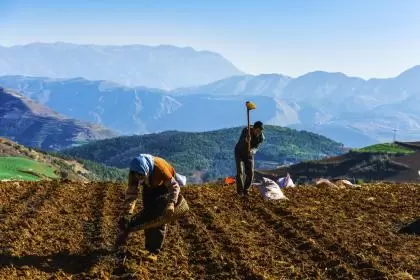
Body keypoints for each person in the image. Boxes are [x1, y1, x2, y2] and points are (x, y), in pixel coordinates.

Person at [117, 154, 181, 262]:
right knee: (148, 215)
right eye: (138, 176)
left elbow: (174, 187)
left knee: (159, 218)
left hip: (163, 187)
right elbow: (132, 193)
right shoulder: (134, 173)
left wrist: (171, 203)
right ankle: (148, 248)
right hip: (149, 186)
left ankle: (154, 251)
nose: (138, 178)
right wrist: (128, 213)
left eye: (141, 176)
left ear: (146, 171)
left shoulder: (160, 169)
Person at [234, 121, 265, 196]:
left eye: (260, 131)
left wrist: (252, 151)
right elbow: (241, 142)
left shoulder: (261, 137)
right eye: (257, 131)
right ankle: (240, 191)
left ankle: (246, 190)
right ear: (253, 129)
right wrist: (246, 140)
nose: (258, 133)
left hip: (249, 154)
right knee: (240, 172)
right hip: (239, 152)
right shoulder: (246, 131)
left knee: (250, 173)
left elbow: (256, 147)